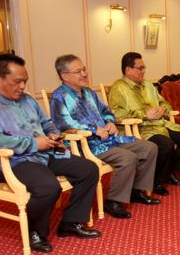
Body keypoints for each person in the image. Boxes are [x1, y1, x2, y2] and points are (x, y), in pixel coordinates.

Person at [0, 54, 101, 253]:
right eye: (17, 81)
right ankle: (35, 232)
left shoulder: (27, 99)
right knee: (48, 186)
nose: (23, 86)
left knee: (88, 169)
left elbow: (46, 123)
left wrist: (53, 133)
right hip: (11, 162)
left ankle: (70, 223)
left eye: (25, 81)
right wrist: (33, 144)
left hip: (44, 153)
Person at [50, 54, 160, 220]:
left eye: (84, 69)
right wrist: (94, 129)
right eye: (78, 71)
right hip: (86, 144)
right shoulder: (59, 97)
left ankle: (136, 191)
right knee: (128, 158)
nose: (84, 74)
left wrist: (109, 122)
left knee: (149, 148)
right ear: (65, 76)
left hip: (109, 138)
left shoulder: (88, 92)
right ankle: (113, 201)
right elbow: (64, 123)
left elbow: (106, 111)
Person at [108, 52, 180, 195]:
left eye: (144, 68)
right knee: (166, 145)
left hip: (161, 124)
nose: (143, 71)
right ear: (128, 70)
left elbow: (164, 103)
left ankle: (169, 171)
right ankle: (157, 181)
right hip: (141, 129)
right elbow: (115, 114)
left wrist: (163, 109)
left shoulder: (148, 85)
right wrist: (144, 115)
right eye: (140, 68)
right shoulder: (118, 88)